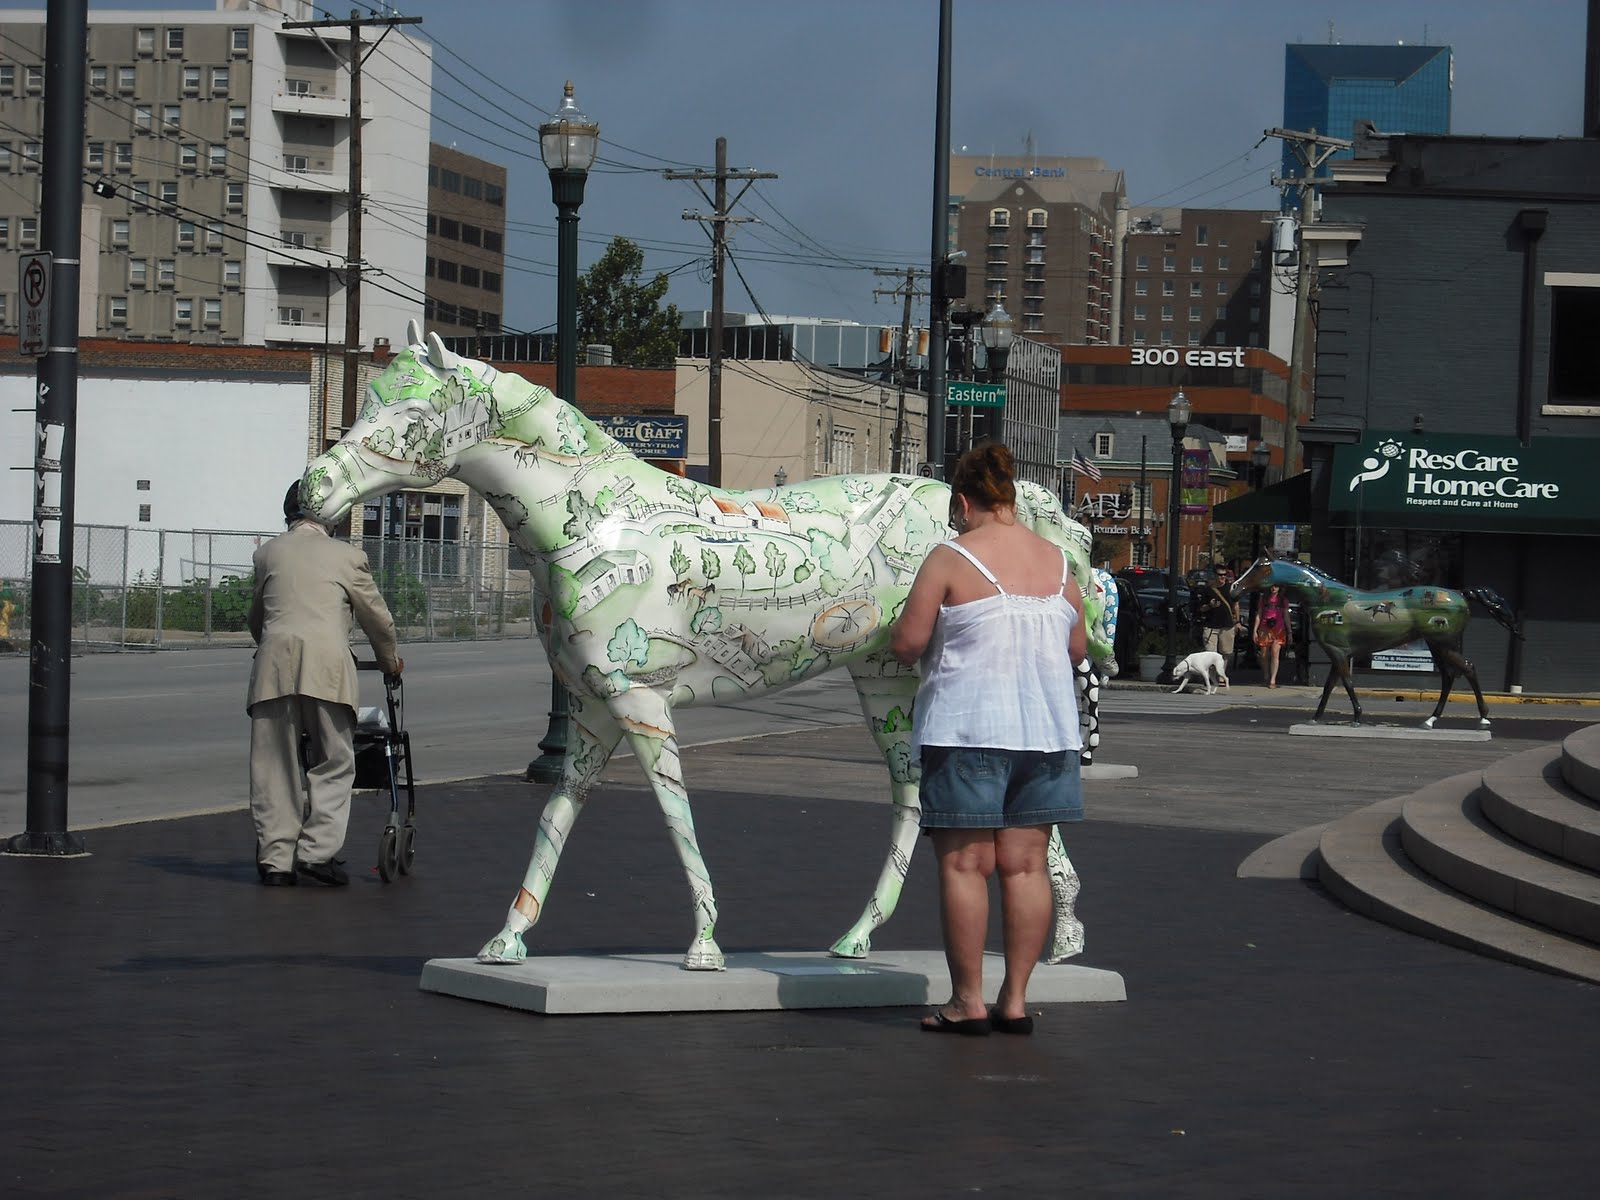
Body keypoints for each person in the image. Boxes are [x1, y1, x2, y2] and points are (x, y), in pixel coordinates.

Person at [889, 443, 1088, 1036]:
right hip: (1049, 736)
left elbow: (908, 642)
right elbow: (1075, 648)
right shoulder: (1057, 562)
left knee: (965, 864)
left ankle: (967, 1001)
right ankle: (1016, 1001)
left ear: (963, 500)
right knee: (1027, 867)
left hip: (969, 728)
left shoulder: (950, 556)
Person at [246, 480, 403, 886]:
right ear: (331, 514)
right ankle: (317, 853)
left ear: (290, 514)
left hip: (272, 671)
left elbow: (256, 619)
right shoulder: (347, 557)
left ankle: (276, 860)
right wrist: (389, 661)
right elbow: (377, 619)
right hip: (328, 672)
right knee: (334, 762)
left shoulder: (268, 553)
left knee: (273, 766)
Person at [1197, 568, 1240, 661]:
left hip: (1227, 625)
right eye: (1220, 575)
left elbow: (1236, 605)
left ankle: (1221, 674)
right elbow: (1201, 608)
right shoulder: (1208, 590)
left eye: (1225, 575)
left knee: (1225, 652)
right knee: (1210, 653)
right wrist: (1210, 605)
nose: (1223, 577)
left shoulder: (1231, 588)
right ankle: (1212, 675)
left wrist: (1237, 621)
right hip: (1211, 625)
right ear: (1215, 575)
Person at [1253, 581, 1289, 688]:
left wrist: (1289, 631)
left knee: (1275, 653)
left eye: (1276, 586)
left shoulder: (1283, 600)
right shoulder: (1263, 599)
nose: (1274, 588)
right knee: (1264, 655)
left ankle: (1273, 679)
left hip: (1278, 629)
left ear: (1279, 588)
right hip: (1264, 628)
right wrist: (1255, 630)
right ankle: (1266, 675)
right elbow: (1259, 614)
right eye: (1272, 586)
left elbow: (1286, 616)